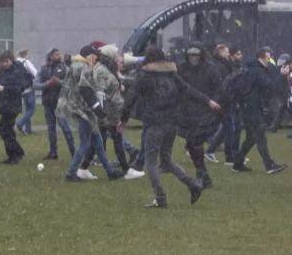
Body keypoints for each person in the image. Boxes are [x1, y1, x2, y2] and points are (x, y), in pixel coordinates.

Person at [122, 47, 217, 208]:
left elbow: (131, 98)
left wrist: (123, 119)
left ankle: (160, 197)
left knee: (151, 162)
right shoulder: (172, 75)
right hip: (172, 123)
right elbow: (188, 90)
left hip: (154, 123)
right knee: (166, 160)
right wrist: (208, 101)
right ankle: (193, 184)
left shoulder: (145, 76)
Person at [58, 45, 123, 182]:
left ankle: (110, 172)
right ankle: (71, 172)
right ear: (89, 56)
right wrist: (98, 110)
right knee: (84, 143)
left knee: (98, 141)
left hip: (74, 106)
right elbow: (86, 90)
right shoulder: (85, 67)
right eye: (94, 56)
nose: (95, 59)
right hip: (83, 110)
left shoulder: (75, 65)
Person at [77, 44, 130, 179]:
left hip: (109, 110)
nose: (118, 57)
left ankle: (84, 168)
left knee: (99, 141)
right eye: (116, 54)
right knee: (114, 138)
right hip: (108, 111)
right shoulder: (102, 70)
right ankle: (125, 169)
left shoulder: (106, 69)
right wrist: (100, 113)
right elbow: (99, 92)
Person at [232, 47, 287, 175]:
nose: (269, 60)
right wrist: (282, 75)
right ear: (261, 58)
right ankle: (269, 165)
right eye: (268, 58)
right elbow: (270, 86)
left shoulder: (250, 69)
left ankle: (237, 163)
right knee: (260, 136)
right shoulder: (258, 71)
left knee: (251, 138)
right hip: (253, 108)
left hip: (247, 106)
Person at [177, 43, 222, 188]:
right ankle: (202, 173)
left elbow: (218, 89)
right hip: (187, 111)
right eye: (191, 55)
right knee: (191, 144)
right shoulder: (182, 68)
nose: (193, 58)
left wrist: (213, 103)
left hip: (205, 111)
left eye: (196, 55)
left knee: (196, 143)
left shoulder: (211, 69)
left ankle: (201, 174)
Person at [36, 48, 75, 160]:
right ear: (50, 56)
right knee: (51, 129)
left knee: (65, 128)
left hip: (61, 103)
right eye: (56, 54)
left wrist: (58, 82)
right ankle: (53, 152)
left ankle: (73, 152)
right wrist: (47, 84)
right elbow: (35, 85)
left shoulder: (65, 69)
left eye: (59, 54)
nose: (59, 56)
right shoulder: (43, 69)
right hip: (48, 102)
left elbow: (70, 85)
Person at [0, 50, 32, 164]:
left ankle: (15, 153)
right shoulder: (4, 72)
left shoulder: (17, 72)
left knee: (4, 131)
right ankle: (14, 154)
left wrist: (4, 88)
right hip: (5, 104)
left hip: (12, 105)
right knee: (7, 131)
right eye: (3, 62)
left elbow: (18, 88)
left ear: (11, 60)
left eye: (6, 61)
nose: (4, 64)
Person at [15, 49, 38, 135]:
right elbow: (35, 73)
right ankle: (20, 123)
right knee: (31, 110)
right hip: (29, 88)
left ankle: (29, 130)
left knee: (27, 110)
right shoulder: (26, 62)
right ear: (25, 54)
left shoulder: (15, 63)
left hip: (21, 90)